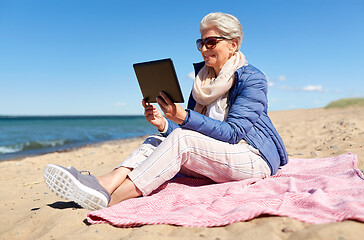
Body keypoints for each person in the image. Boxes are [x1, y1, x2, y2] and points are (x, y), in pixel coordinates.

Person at [43, 12, 288, 211]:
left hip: (252, 157)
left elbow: (233, 133)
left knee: (182, 139)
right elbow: (189, 133)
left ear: (233, 44)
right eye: (201, 42)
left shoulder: (252, 79)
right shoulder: (202, 83)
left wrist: (183, 117)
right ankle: (103, 184)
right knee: (155, 140)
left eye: (211, 42)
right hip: (220, 156)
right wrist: (163, 123)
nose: (204, 49)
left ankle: (111, 199)